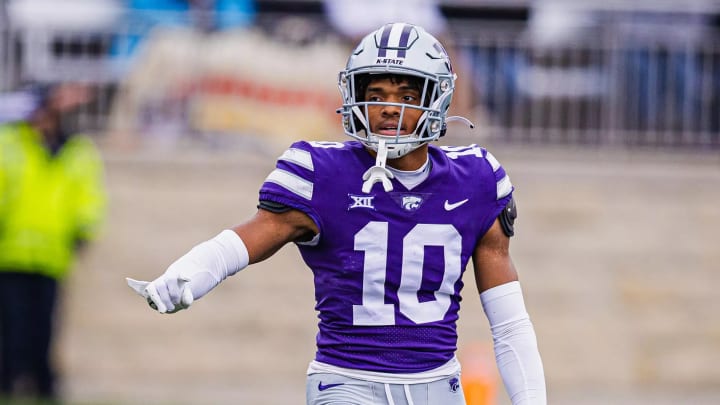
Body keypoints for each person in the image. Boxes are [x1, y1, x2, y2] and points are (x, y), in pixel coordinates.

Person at [127, 23, 546, 405]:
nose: (389, 108)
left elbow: (509, 322)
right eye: (376, 95)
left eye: (406, 96)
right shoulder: (322, 173)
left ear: (437, 99)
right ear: (354, 95)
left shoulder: (476, 179)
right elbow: (250, 237)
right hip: (347, 384)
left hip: (439, 388)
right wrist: (189, 273)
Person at [0, 83, 107, 403]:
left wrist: (84, 230)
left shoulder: (78, 151)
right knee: (11, 325)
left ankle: (40, 382)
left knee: (44, 326)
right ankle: (9, 381)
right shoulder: (11, 144)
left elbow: (88, 195)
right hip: (10, 252)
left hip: (52, 255)